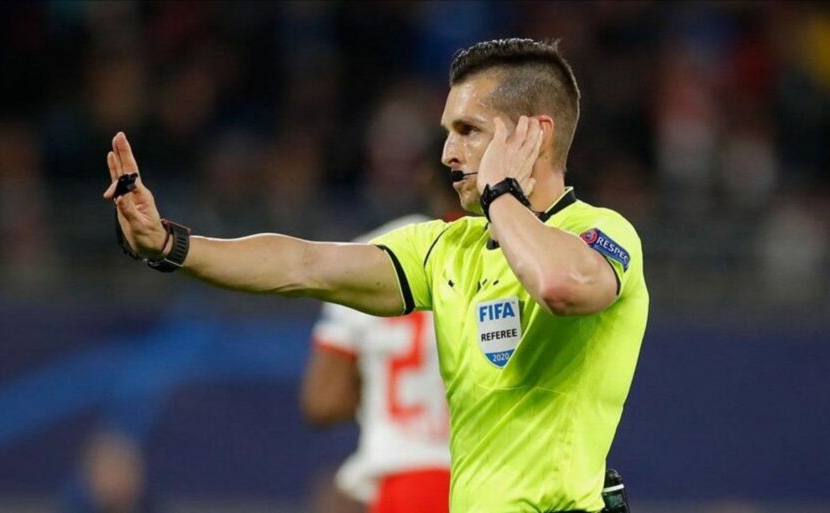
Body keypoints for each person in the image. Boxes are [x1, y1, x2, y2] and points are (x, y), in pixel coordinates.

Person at [104, 38, 649, 513]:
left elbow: (559, 285)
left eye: (468, 131)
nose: (448, 153)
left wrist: (502, 193)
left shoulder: (603, 233)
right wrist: (171, 246)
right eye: (447, 132)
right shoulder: (445, 249)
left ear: (535, 135)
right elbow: (304, 264)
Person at [301, 164, 461, 513]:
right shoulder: (524, 254)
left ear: (428, 179)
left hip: (404, 477)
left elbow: (323, 400)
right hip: (498, 476)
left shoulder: (371, 251)